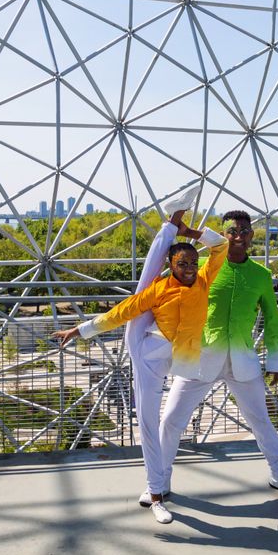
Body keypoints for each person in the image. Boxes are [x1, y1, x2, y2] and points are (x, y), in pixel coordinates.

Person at [52, 190, 227, 524]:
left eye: (192, 262)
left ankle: (172, 222)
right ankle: (156, 493)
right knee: (147, 422)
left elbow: (219, 248)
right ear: (171, 266)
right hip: (148, 353)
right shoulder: (159, 288)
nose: (190, 268)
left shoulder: (204, 280)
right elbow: (121, 312)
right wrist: (79, 331)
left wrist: (191, 234)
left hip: (184, 357)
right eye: (182, 264)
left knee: (169, 420)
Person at [158, 211, 278, 498]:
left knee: (261, 421)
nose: (238, 236)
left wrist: (276, 361)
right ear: (224, 234)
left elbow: (273, 321)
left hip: (243, 360)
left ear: (251, 236)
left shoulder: (261, 275)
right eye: (232, 231)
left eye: (243, 231)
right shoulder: (202, 266)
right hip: (201, 358)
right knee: (171, 420)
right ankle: (159, 481)